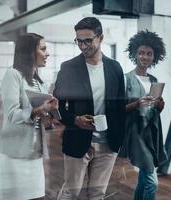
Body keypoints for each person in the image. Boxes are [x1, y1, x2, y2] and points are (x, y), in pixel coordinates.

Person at [53, 17, 125, 200]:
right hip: (77, 139)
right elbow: (57, 107)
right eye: (79, 41)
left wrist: (119, 140)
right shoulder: (68, 68)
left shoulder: (115, 68)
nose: (83, 46)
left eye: (88, 40)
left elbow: (119, 107)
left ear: (100, 38)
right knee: (71, 192)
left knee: (97, 194)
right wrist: (75, 120)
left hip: (108, 143)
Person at [0, 33, 59, 200]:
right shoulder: (13, 75)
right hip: (13, 153)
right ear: (30, 52)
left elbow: (38, 119)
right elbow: (11, 115)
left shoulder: (40, 82)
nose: (47, 53)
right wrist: (40, 109)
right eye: (43, 49)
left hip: (33, 152)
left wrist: (49, 118)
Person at [118, 30, 168, 200]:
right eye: (141, 53)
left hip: (151, 131)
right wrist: (137, 103)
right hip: (135, 132)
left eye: (149, 54)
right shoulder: (126, 79)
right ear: (134, 54)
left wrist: (160, 105)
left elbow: (155, 109)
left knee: (143, 177)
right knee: (151, 181)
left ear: (154, 57)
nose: (144, 57)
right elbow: (119, 109)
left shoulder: (154, 80)